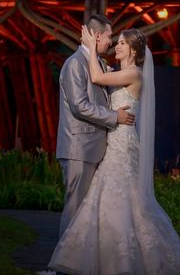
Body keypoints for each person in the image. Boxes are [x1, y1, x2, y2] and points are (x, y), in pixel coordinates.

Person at [49, 27, 180, 275]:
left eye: (123, 43)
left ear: (135, 50)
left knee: (125, 197)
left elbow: (95, 76)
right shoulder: (118, 71)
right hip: (112, 140)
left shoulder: (133, 74)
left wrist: (90, 48)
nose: (118, 47)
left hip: (123, 142)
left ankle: (127, 260)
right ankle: (104, 260)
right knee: (106, 196)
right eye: (118, 43)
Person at [54, 14, 135, 240]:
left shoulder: (97, 63)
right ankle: (64, 265)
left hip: (93, 147)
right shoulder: (74, 64)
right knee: (75, 208)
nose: (110, 42)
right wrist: (114, 117)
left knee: (85, 211)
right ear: (97, 36)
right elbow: (80, 106)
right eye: (109, 36)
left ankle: (78, 262)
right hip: (78, 149)